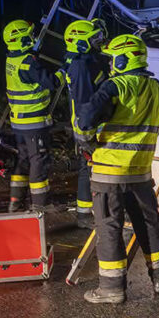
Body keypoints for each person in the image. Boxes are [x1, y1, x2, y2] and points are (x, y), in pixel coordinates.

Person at [77, 34, 159, 304]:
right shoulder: (156, 88)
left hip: (108, 172)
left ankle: (112, 288)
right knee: (149, 223)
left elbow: (85, 119)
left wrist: (86, 139)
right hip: (140, 173)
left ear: (124, 59)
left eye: (114, 59)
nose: (112, 64)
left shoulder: (113, 87)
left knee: (109, 226)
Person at [2, 20, 62, 212]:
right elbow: (51, 82)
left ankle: (16, 200)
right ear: (21, 39)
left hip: (19, 122)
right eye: (29, 35)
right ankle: (40, 203)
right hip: (34, 121)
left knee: (24, 159)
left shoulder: (13, 59)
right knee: (39, 160)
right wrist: (65, 69)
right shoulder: (28, 64)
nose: (33, 37)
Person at [61, 18, 108, 229]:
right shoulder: (80, 67)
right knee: (89, 168)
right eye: (93, 38)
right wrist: (85, 132)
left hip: (88, 123)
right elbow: (83, 102)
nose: (98, 40)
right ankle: (86, 215)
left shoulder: (85, 62)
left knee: (86, 168)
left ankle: (84, 213)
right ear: (81, 42)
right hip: (86, 125)